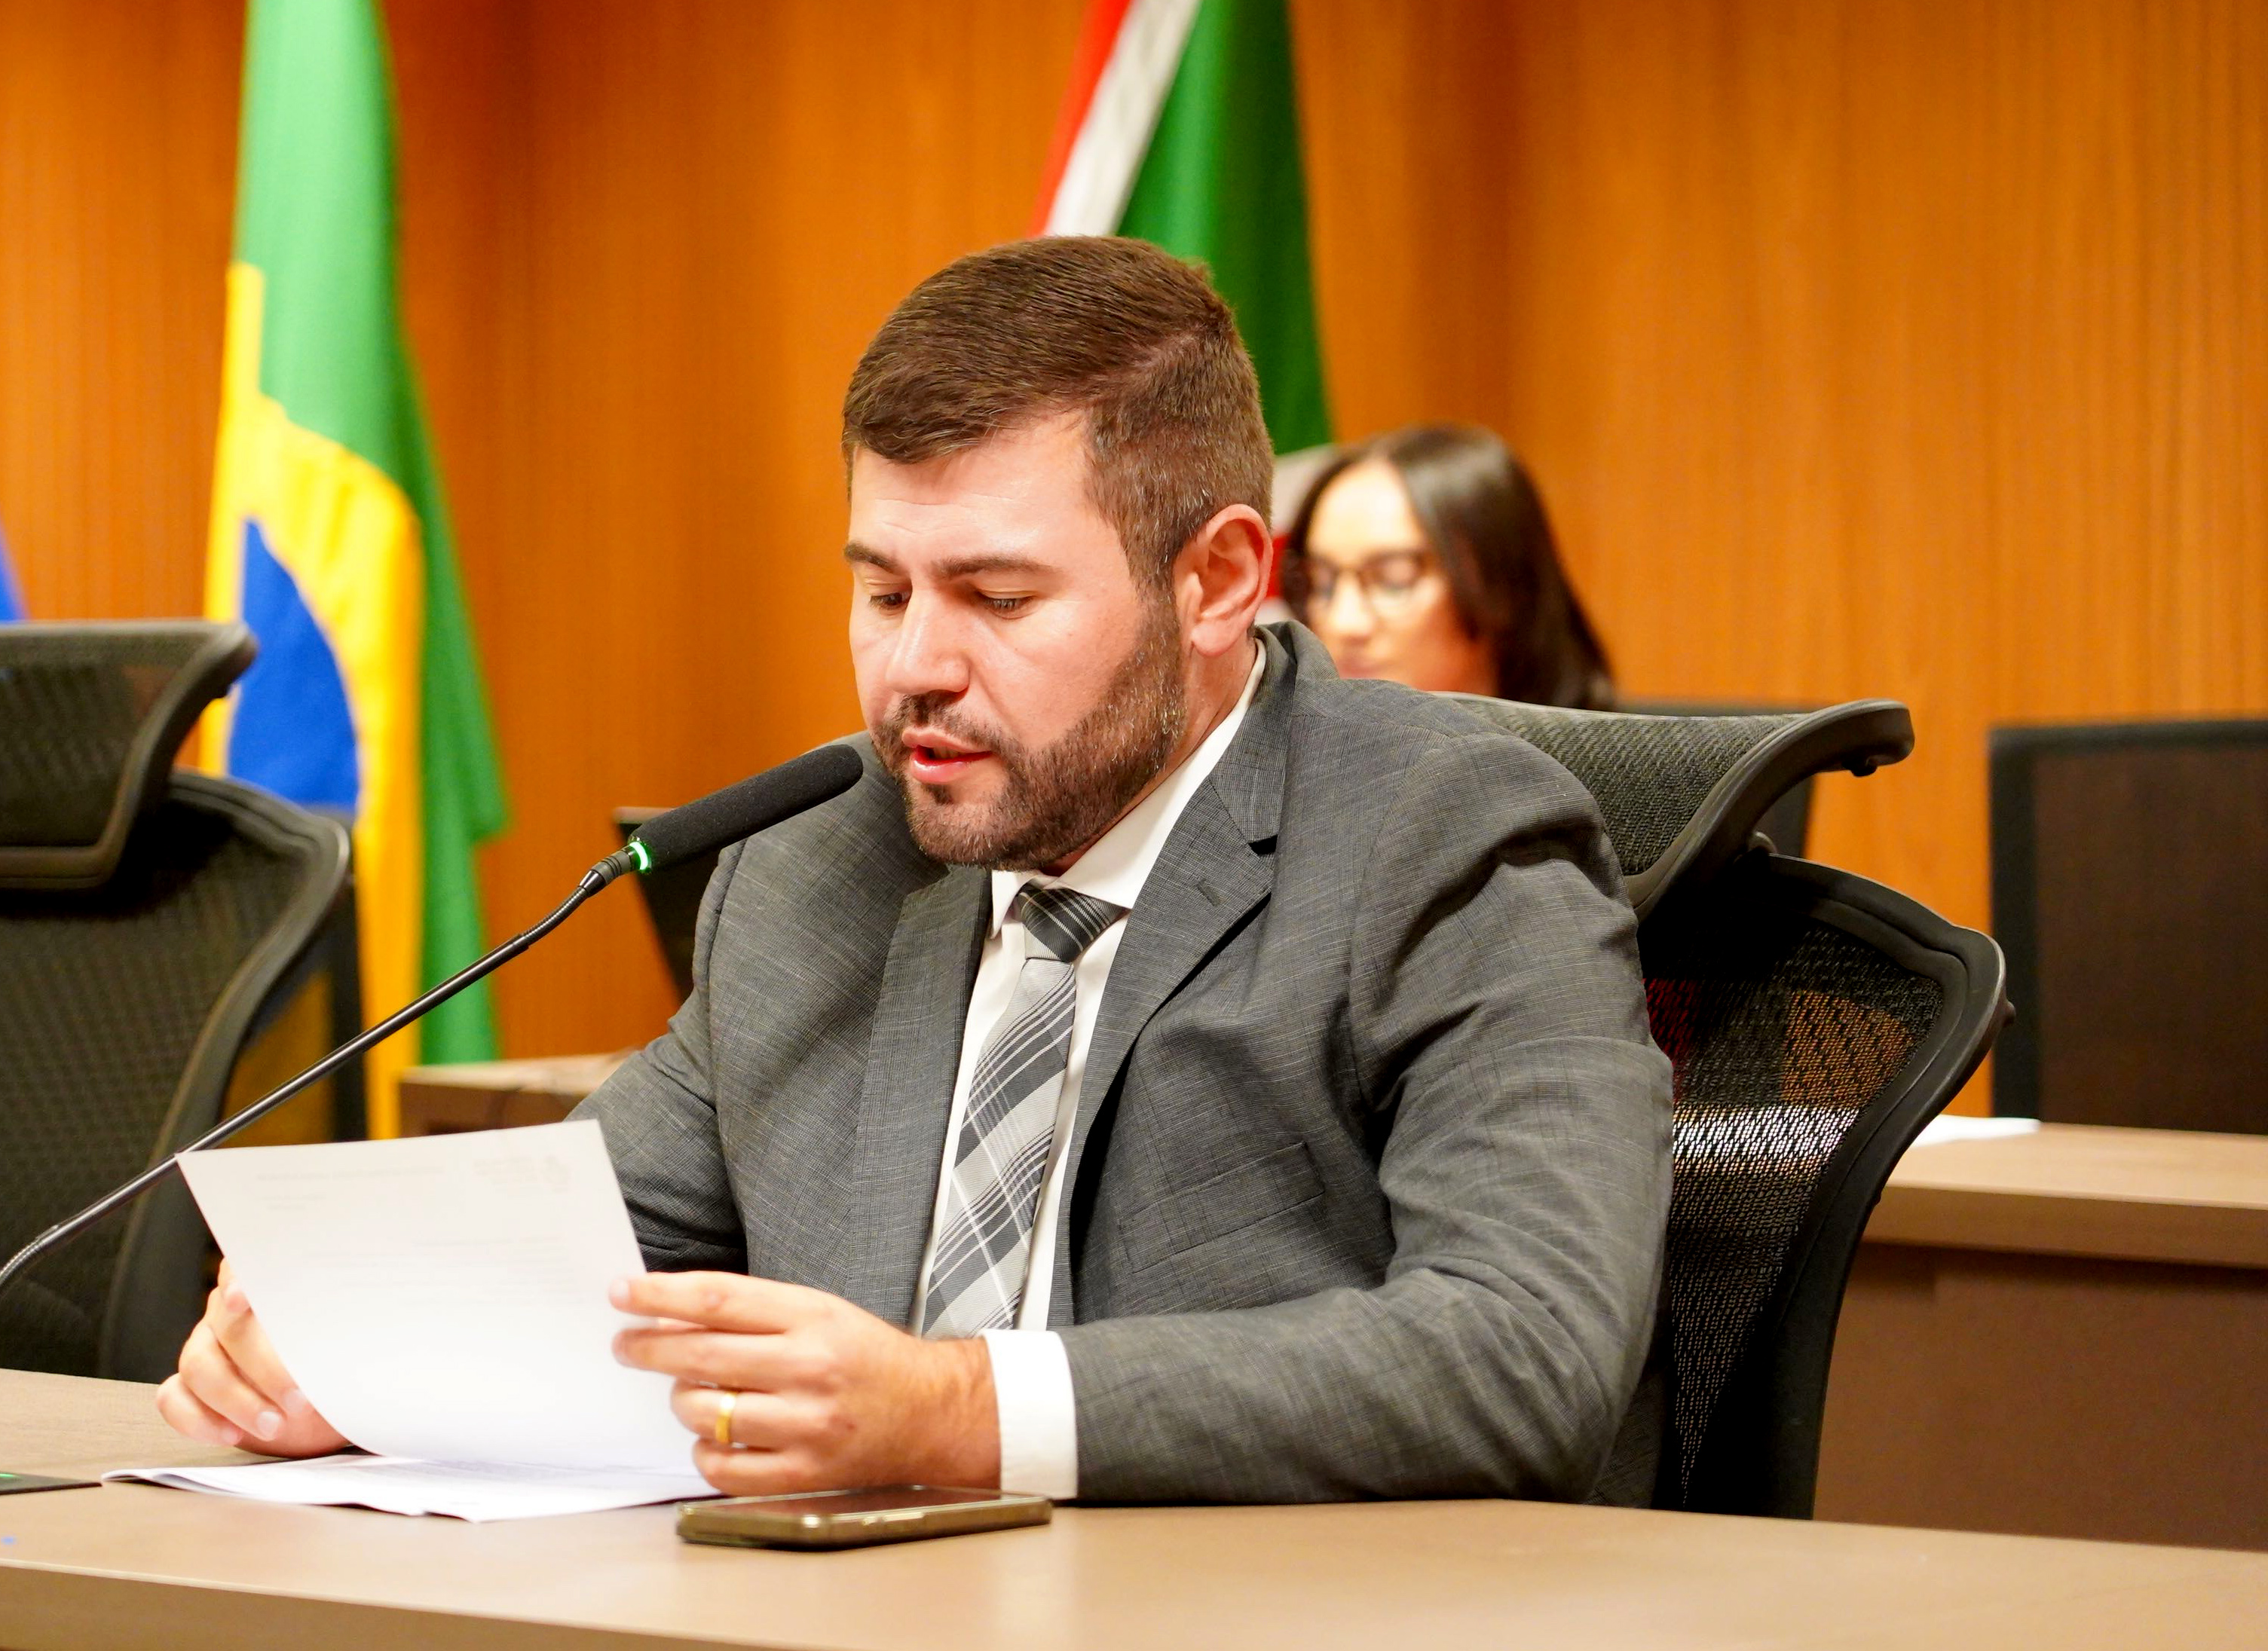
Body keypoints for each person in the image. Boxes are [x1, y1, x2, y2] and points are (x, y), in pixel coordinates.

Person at [158, 237, 1672, 1506]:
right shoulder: (818, 867)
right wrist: (347, 1338)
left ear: (1216, 580)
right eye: (881, 592)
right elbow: (574, 1259)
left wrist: (962, 1411)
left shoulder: (1437, 834)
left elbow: (1523, 1352)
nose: (914, 670)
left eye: (995, 596)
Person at [1289, 424, 1616, 708]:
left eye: (1393, 579)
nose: (1344, 623)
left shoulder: (1614, 759)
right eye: (1323, 583)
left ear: (1502, 585)